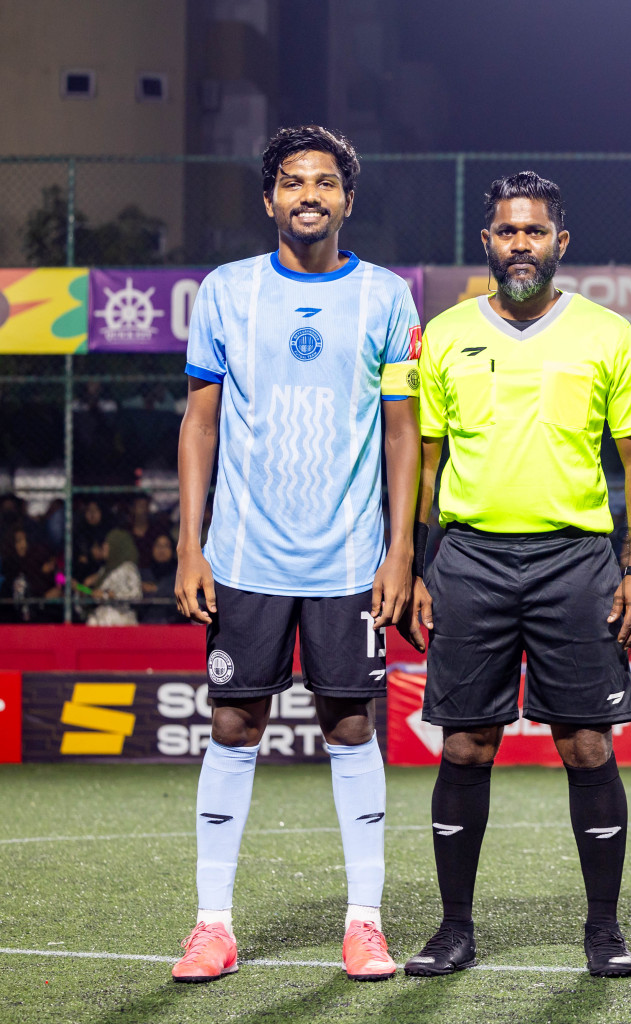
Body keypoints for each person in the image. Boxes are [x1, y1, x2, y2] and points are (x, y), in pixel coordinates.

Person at [169, 125, 421, 984]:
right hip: (243, 554)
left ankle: (365, 922)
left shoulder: (388, 297)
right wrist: (190, 545)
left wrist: (400, 551)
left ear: (349, 199)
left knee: (351, 726)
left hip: (351, 557)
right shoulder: (226, 292)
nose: (307, 193)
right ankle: (211, 925)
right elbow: (199, 422)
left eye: (324, 181)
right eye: (291, 181)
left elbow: (402, 432)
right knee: (234, 725)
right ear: (270, 198)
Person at [400, 173, 631, 980]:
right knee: (467, 743)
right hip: (469, 559)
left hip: (575, 562)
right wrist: (411, 562)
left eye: (534, 233)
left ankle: (605, 929)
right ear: (488, 242)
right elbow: (423, 460)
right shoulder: (441, 335)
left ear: (559, 243)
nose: (520, 246)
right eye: (507, 233)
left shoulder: (608, 335)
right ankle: (453, 928)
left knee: (585, 742)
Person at [84, 528, 141, 626]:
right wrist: (84, 590)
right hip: (100, 619)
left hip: (121, 620)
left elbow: (136, 595)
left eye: (108, 544)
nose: (104, 547)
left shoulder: (128, 568)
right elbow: (95, 594)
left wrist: (109, 595)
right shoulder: (104, 570)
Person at [139, 532, 181, 624]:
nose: (161, 550)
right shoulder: (143, 574)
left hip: (174, 624)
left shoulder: (179, 573)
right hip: (146, 625)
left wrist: (156, 589)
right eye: (158, 546)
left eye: (166, 546)